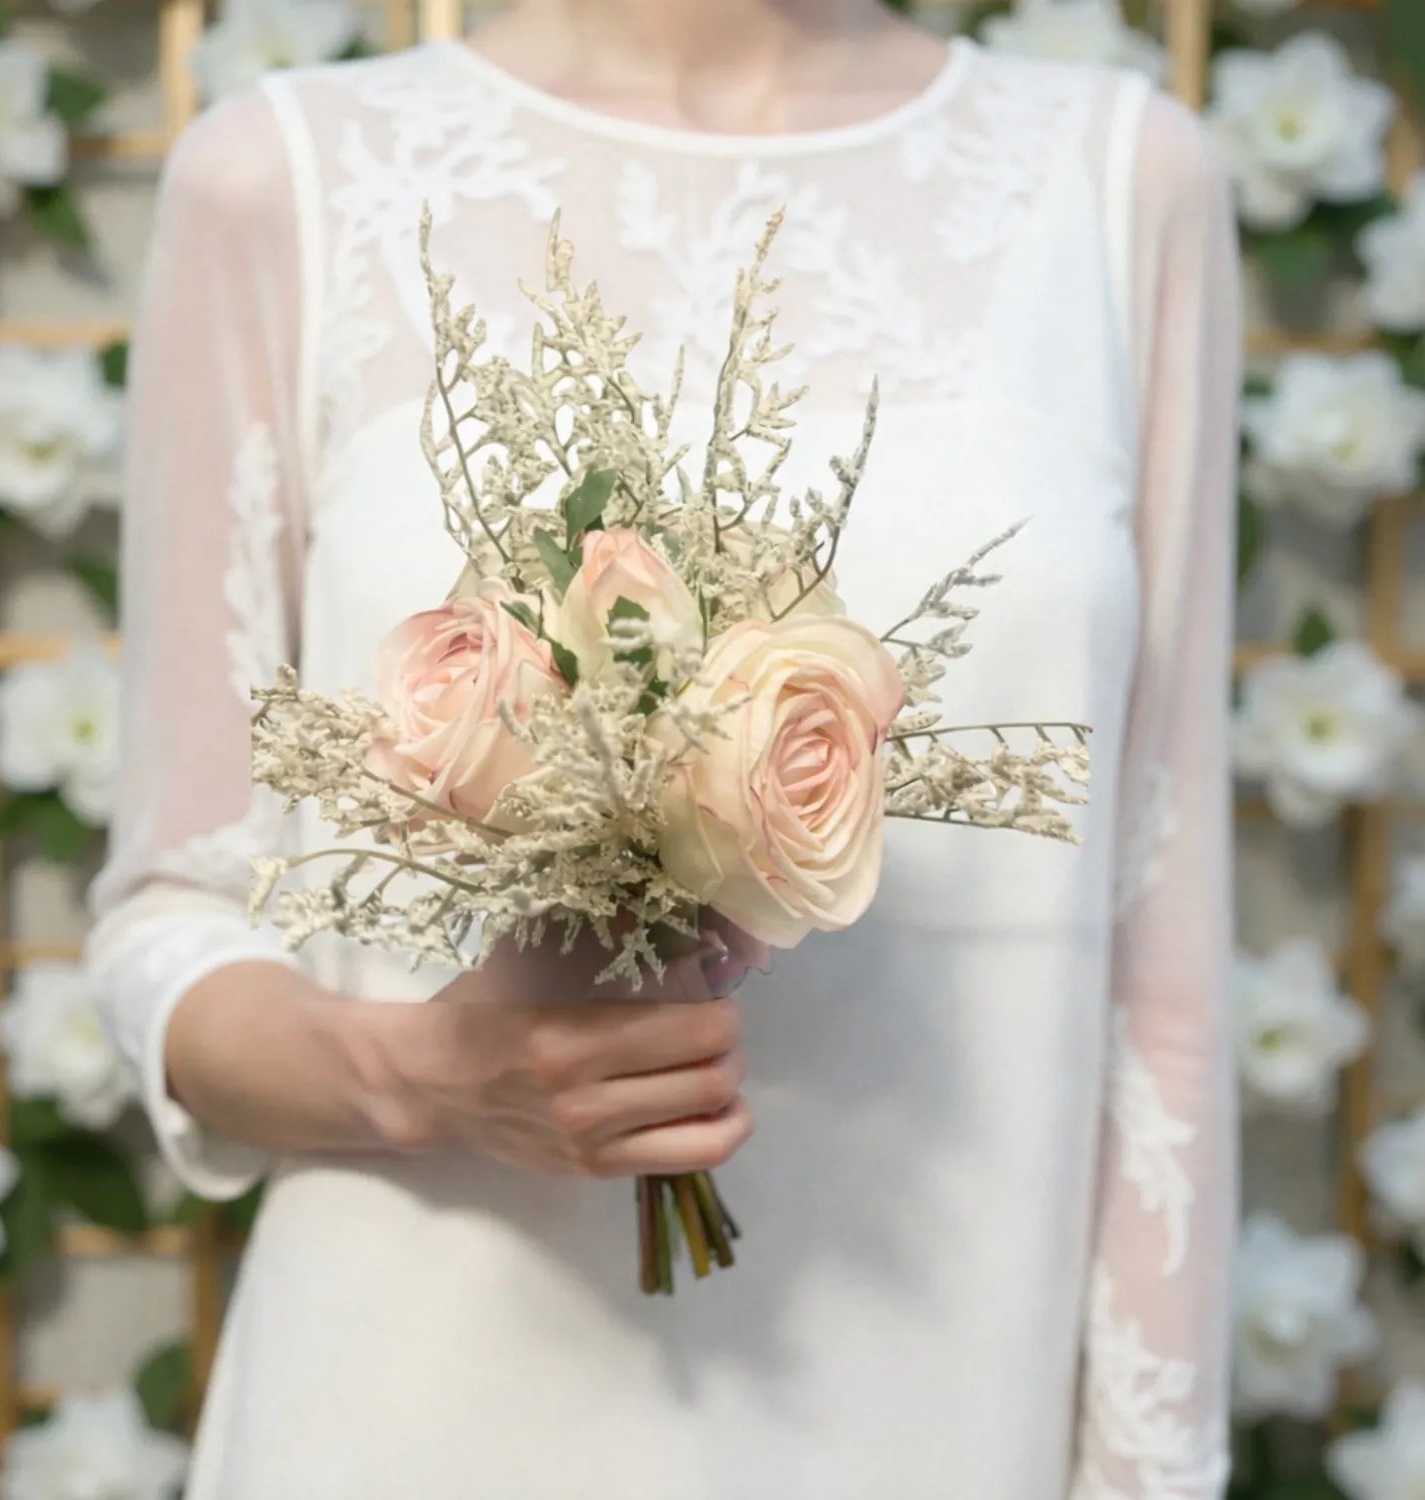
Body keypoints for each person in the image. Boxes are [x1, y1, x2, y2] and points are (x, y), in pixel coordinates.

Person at [84, 1, 1242, 1495]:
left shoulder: (1120, 183)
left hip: (941, 1410)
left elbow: (1167, 932)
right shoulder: (284, 176)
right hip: (411, 1402)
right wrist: (421, 1074)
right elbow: (170, 916)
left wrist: (1149, 1473)